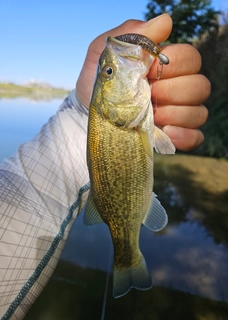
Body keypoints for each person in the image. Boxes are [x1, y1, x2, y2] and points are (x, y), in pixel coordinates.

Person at [0, 14, 210, 320]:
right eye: (109, 71)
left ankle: (125, 261)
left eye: (106, 71)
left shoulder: (119, 117)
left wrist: (77, 114)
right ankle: (128, 259)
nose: (110, 66)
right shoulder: (119, 119)